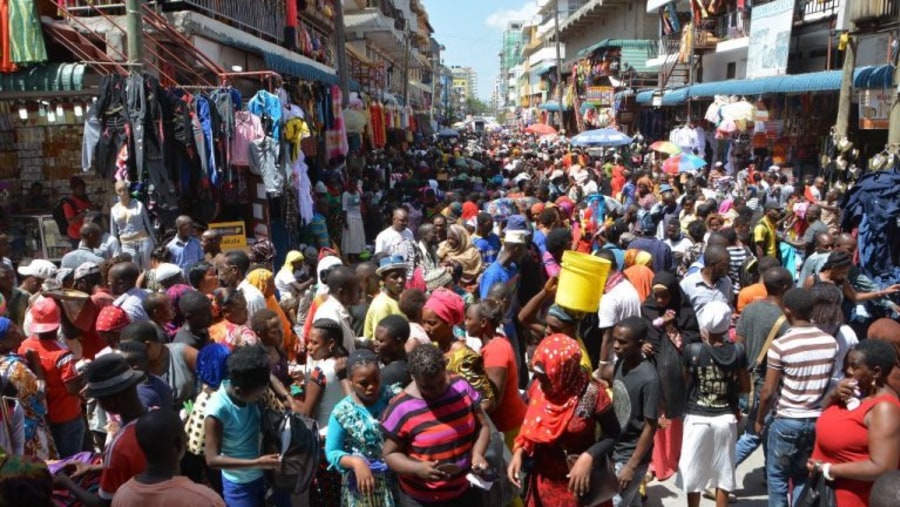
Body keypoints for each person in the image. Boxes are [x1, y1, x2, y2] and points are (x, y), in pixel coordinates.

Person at [507, 333, 622, 507]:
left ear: (563, 372)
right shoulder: (538, 389)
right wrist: (520, 451)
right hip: (544, 483)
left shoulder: (591, 394)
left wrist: (589, 456)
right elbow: (531, 425)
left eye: (546, 377)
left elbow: (613, 433)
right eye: (538, 375)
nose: (539, 382)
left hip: (580, 485)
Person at [755, 288, 837, 507]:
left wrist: (759, 419)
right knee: (803, 477)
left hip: (787, 421)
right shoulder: (830, 342)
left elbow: (768, 392)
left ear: (787, 310)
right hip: (817, 420)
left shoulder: (781, 345)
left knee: (777, 478)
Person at [380, 343, 491, 506]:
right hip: (422, 500)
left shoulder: (462, 387)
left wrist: (478, 454)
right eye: (427, 387)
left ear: (445, 367)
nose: (436, 390)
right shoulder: (401, 408)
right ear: (413, 376)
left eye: (440, 382)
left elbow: (483, 426)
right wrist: (417, 469)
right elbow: (389, 454)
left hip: (465, 491)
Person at [808, 340, 900, 507]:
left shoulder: (885, 409)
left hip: (851, 498)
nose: (847, 371)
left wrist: (829, 469)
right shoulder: (857, 394)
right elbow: (824, 414)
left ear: (876, 372)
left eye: (854, 366)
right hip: (824, 491)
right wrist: (833, 395)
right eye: (847, 365)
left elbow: (883, 467)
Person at [679, 301, 750, 507]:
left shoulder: (692, 350)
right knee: (724, 472)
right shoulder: (738, 351)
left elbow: (686, 381)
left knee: (693, 472)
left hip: (696, 417)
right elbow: (745, 387)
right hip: (725, 417)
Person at [639, 271, 701, 483]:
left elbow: (691, 343)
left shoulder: (684, 311)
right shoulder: (646, 309)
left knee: (673, 418)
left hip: (677, 379)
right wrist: (642, 346)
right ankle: (656, 462)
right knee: (655, 416)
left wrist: (670, 326)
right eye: (656, 296)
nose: (659, 301)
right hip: (653, 372)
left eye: (664, 296)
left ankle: (672, 459)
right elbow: (639, 335)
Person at [204, 344, 282, 507]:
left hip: (266, 476)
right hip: (239, 486)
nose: (262, 396)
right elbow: (212, 460)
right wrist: (257, 463)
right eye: (259, 394)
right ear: (239, 391)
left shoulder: (254, 388)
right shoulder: (217, 410)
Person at [733, 267, 793, 467]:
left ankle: (769, 472)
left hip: (745, 380)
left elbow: (738, 345)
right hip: (765, 385)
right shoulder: (784, 321)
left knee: (766, 428)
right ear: (786, 287)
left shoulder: (750, 308)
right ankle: (719, 476)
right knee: (754, 433)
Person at [324, 349, 397, 507]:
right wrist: (356, 462)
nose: (371, 387)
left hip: (397, 480)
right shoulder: (343, 412)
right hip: (363, 487)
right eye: (363, 383)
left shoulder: (392, 398)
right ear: (350, 381)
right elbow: (332, 451)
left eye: (376, 380)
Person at [17, 298, 85, 459]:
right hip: (66, 416)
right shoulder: (62, 354)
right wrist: (85, 374)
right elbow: (72, 388)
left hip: (40, 417)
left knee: (51, 459)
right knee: (71, 460)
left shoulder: (25, 346)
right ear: (58, 321)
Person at [112, 410, 224, 507]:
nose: (188, 437)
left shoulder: (122, 497)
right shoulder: (206, 500)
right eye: (185, 435)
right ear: (178, 444)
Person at [603, 316, 660, 507]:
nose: (616, 346)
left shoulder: (649, 378)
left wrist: (631, 466)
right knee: (632, 501)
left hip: (632, 456)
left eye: (623, 342)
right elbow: (603, 374)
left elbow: (651, 427)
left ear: (640, 344)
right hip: (617, 448)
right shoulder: (620, 364)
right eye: (615, 340)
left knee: (616, 502)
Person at [465, 299, 527, 441]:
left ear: (483, 323)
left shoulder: (495, 351)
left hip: (509, 428)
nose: (465, 323)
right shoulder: (495, 342)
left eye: (469, 319)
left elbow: (492, 401)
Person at [0, 317, 57, 459]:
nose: (19, 332)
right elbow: (40, 394)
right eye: (12, 332)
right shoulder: (16, 368)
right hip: (29, 433)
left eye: (15, 326)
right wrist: (36, 364)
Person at [122, 321, 198, 410]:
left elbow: (210, 376)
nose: (128, 356)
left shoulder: (183, 353)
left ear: (148, 345)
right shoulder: (135, 369)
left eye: (132, 351)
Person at [594, 250, 642, 367]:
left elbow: (607, 337)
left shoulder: (609, 298)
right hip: (632, 356)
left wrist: (602, 366)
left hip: (615, 362)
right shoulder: (627, 285)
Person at [245, 269, 298, 360]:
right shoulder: (257, 303)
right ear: (262, 285)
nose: (275, 287)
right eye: (270, 284)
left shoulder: (271, 299)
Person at [109, 180, 156, 271]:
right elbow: (113, 232)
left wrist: (155, 241)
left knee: (149, 270)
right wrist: (115, 250)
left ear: (128, 190)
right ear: (116, 192)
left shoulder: (138, 205)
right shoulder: (114, 210)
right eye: (120, 190)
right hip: (126, 244)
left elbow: (148, 225)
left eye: (124, 190)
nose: (123, 193)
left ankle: (150, 285)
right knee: (133, 271)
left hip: (144, 241)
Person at [314, 265, 360, 354]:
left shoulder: (341, 310)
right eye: (356, 290)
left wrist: (365, 343)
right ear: (342, 293)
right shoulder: (330, 316)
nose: (360, 293)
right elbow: (324, 353)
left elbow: (346, 341)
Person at [363, 256, 407, 340]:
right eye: (395, 277)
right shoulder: (382, 305)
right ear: (383, 280)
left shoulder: (397, 299)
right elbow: (381, 340)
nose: (400, 280)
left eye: (403, 276)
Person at [679, 245, 733, 314]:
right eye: (725, 265)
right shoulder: (687, 285)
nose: (729, 268)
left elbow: (730, 305)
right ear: (712, 265)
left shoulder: (727, 282)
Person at [478, 229, 528, 299]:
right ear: (516, 249)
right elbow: (486, 305)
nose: (524, 253)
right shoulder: (493, 275)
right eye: (523, 249)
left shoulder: (513, 267)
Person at [218, 250, 267, 319]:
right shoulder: (231, 293)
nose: (221, 274)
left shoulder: (252, 297)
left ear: (234, 270)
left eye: (223, 268)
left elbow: (257, 326)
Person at [373, 314, 411, 390]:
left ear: (398, 343)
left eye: (381, 341)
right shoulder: (409, 361)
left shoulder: (387, 375)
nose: (375, 343)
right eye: (375, 339)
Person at [62, 176, 94, 248]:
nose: (82, 191)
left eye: (83, 189)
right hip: (76, 235)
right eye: (80, 189)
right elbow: (70, 221)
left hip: (88, 233)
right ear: (74, 189)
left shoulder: (84, 198)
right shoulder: (69, 203)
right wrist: (83, 214)